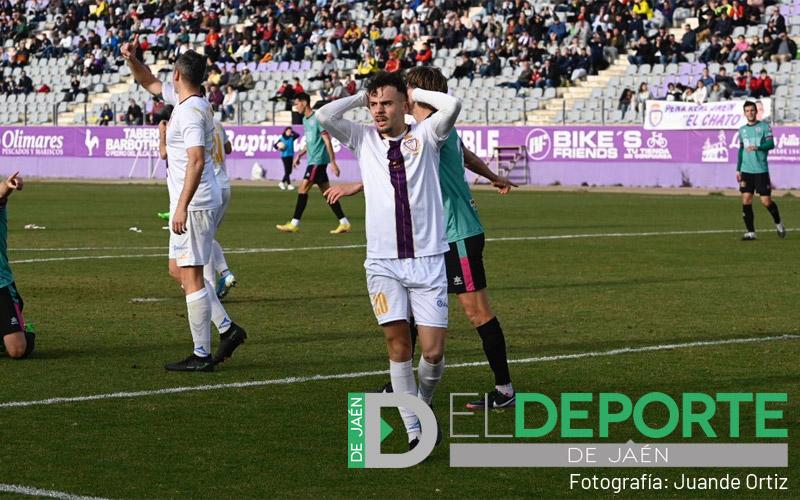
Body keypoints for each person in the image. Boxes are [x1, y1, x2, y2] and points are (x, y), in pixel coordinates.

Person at [327, 67, 518, 409]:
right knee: (412, 314)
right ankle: (400, 385)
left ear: (415, 94)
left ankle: (504, 390)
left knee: (477, 313)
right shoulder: (424, 132)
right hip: (432, 240)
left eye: (408, 89)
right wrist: (493, 175)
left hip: (457, 232)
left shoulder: (433, 131)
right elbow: (403, 176)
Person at [316, 71, 462, 448]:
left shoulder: (426, 135)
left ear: (404, 104)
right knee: (399, 347)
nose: (379, 111)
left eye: (387, 103)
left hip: (428, 259)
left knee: (432, 351)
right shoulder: (363, 138)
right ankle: (416, 429)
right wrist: (358, 97)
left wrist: (417, 91)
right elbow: (324, 116)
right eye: (374, 103)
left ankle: (422, 405)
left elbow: (453, 105)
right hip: (382, 264)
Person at [122, 36, 247, 371]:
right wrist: (132, 58)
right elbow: (148, 81)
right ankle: (227, 328)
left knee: (190, 275)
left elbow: (196, 161)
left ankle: (202, 353)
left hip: (194, 203)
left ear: (177, 74)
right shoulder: (190, 102)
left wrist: (180, 206)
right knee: (177, 270)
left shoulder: (190, 112)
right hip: (195, 201)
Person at [275, 92, 351, 234]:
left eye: (297, 103)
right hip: (313, 160)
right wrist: (300, 154)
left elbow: (327, 140)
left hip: (318, 161)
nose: (296, 107)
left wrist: (333, 162)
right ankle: (344, 222)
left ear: (304, 103)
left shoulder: (317, 118)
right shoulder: (305, 119)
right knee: (328, 193)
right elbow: (311, 142)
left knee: (303, 188)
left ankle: (294, 223)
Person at [737, 101, 785, 241]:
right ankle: (751, 232)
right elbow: (740, 150)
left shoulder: (764, 127)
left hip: (761, 170)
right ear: (744, 113)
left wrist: (758, 147)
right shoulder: (742, 130)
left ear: (756, 112)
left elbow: (771, 144)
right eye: (747, 111)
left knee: (766, 201)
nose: (750, 113)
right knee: (746, 199)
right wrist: (738, 169)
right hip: (746, 170)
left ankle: (778, 222)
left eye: (752, 110)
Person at [0, 172, 34, 359]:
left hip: (0, 284)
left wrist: (8, 185)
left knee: (17, 350)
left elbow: (1, 193)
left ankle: (24, 329)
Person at [275, 126, 300, 190]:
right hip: (284, 156)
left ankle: (282, 182)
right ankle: (289, 185)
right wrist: (279, 148)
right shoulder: (282, 139)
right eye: (288, 131)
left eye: (290, 131)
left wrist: (292, 131)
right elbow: (275, 145)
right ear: (285, 131)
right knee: (287, 170)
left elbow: (297, 135)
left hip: (291, 155)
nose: (289, 132)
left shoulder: (292, 138)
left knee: (289, 171)